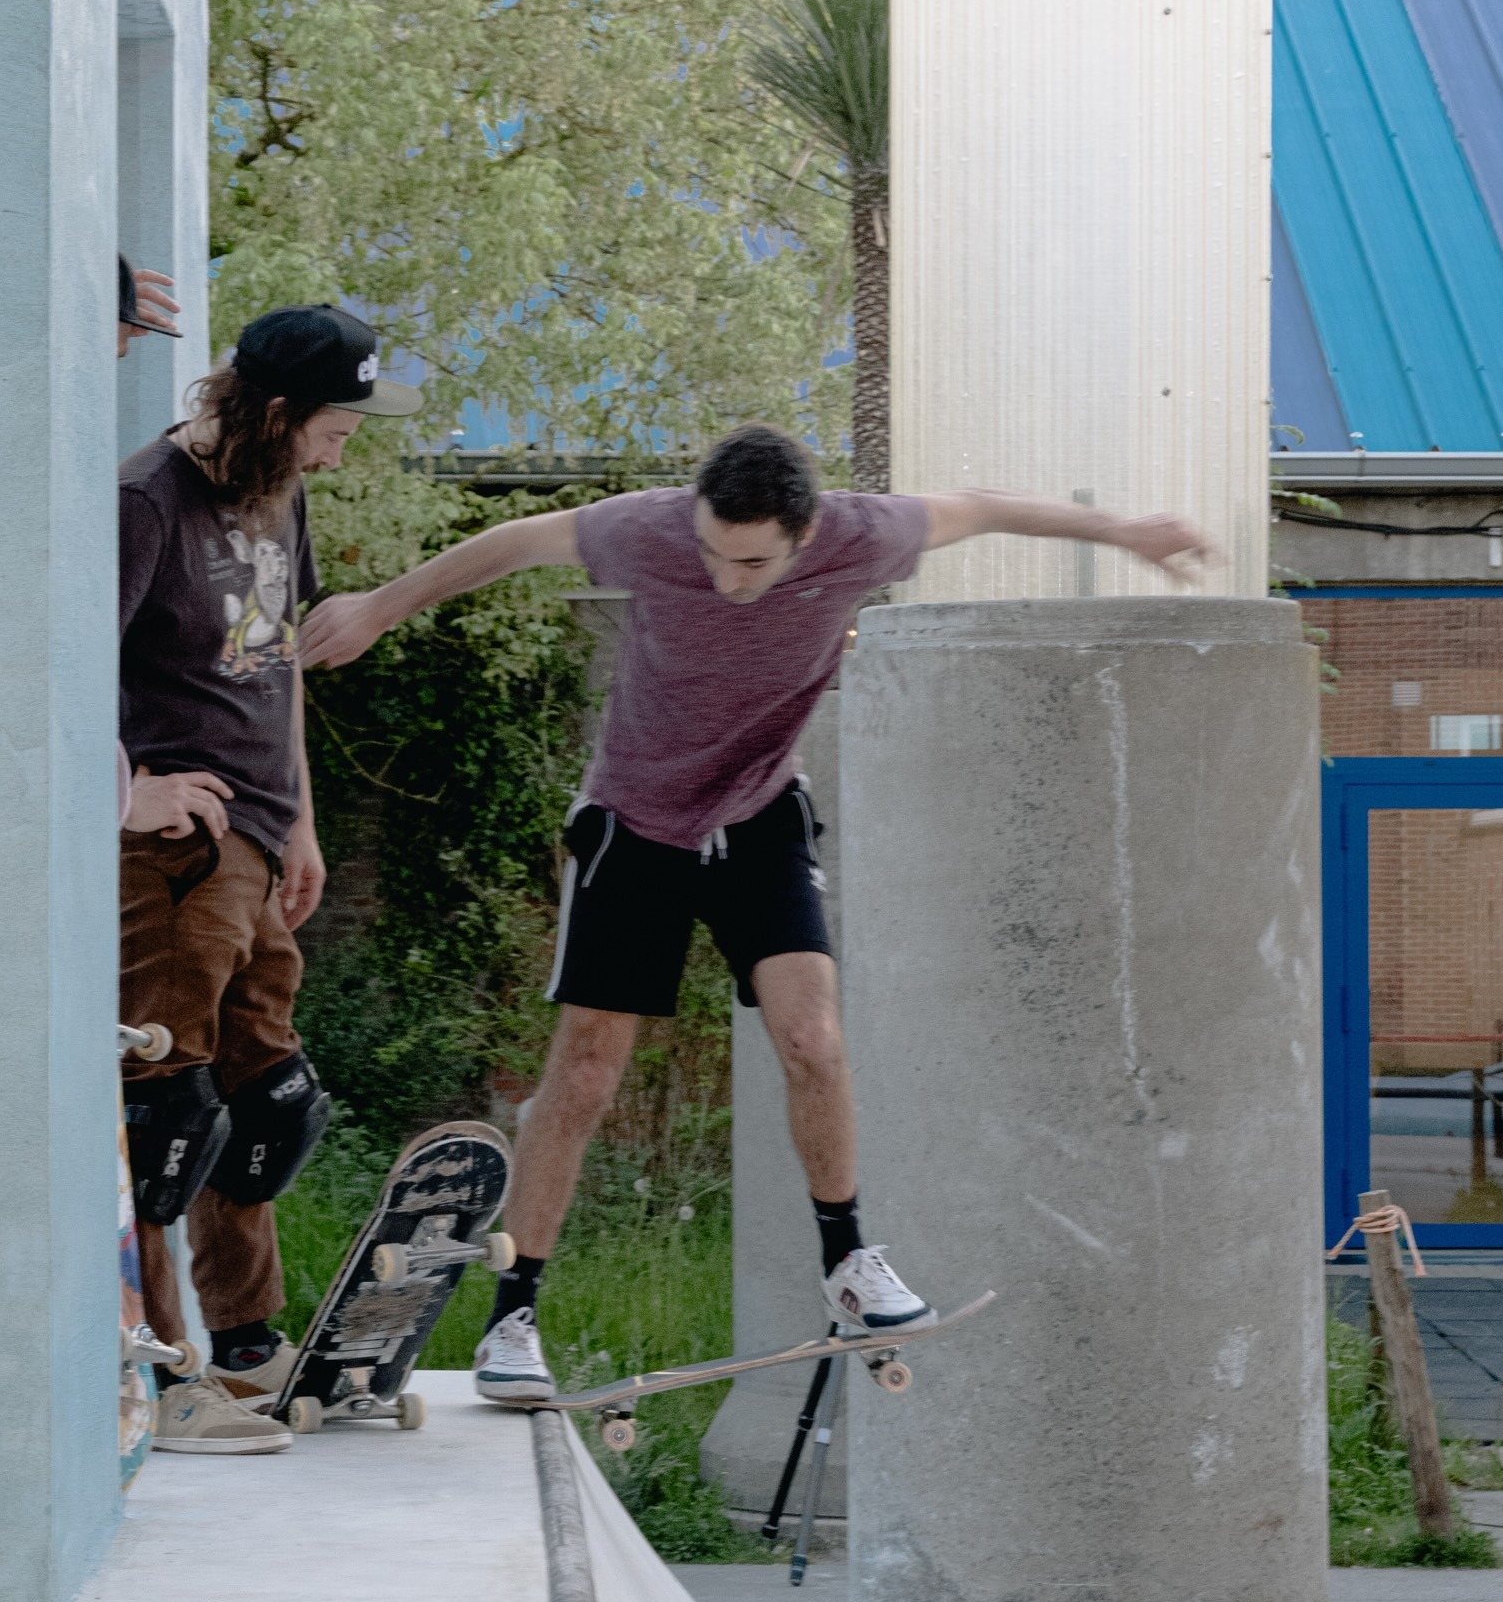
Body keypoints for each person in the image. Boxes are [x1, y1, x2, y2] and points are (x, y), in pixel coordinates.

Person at [297, 423, 1206, 1407]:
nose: (727, 577)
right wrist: (378, 608)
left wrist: (1123, 532)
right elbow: (511, 540)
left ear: (806, 535)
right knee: (586, 1072)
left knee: (811, 1034)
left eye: (752, 562)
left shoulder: (867, 534)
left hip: (760, 815)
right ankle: (511, 1315)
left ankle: (848, 1260)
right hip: (633, 824)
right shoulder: (643, 530)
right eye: (711, 552)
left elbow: (983, 506)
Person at [118, 299, 385, 1450]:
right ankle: (158, 1373)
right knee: (165, 1109)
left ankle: (239, 1347)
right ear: (277, 414)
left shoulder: (280, 489)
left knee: (261, 1104)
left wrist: (306, 822)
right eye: (335, 425)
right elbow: (60, 661)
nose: (344, 445)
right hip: (177, 856)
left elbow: (279, 665)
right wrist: (127, 790)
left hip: (265, 835)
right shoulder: (144, 503)